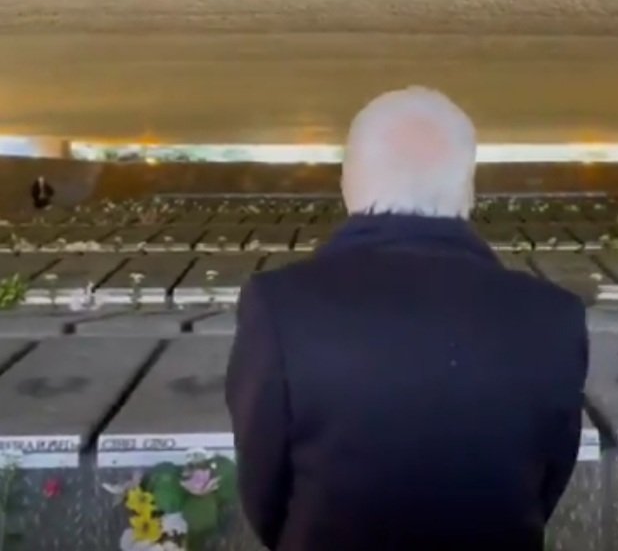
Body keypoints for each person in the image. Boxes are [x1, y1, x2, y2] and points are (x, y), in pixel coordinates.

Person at [226, 86, 590, 551]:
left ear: (349, 181)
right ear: (468, 189)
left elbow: (263, 484)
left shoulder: (279, 304)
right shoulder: (554, 315)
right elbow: (548, 479)